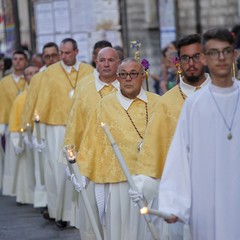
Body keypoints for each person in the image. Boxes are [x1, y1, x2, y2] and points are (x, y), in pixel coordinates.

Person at [158, 28, 240, 240]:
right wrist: (173, 202)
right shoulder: (194, 105)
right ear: (205, 58)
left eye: (226, 51)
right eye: (213, 52)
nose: (221, 58)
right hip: (207, 198)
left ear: (235, 55)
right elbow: (180, 155)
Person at [76, 58, 161, 240]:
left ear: (142, 76)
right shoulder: (104, 105)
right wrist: (83, 173)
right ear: (118, 77)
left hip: (151, 179)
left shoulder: (157, 103)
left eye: (133, 74)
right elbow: (92, 139)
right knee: (120, 231)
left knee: (149, 230)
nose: (128, 78)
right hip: (116, 181)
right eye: (123, 74)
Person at [137, 33, 210, 240]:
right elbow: (153, 150)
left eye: (197, 56)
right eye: (185, 58)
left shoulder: (220, 93)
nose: (192, 63)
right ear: (178, 62)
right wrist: (143, 184)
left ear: (204, 57)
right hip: (181, 190)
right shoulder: (166, 103)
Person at [33, 38, 94, 228]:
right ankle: (60, 214)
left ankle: (80, 215)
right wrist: (39, 134)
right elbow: (42, 102)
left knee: (80, 172)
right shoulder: (49, 73)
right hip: (56, 127)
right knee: (58, 173)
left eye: (67, 52)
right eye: (61, 52)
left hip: (82, 127)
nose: (63, 56)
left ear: (76, 51)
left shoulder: (89, 71)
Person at [64, 46, 121, 238]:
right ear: (96, 62)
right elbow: (75, 124)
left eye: (111, 60)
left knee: (119, 216)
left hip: (120, 161)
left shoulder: (127, 87)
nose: (106, 64)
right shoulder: (86, 89)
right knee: (91, 218)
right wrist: (70, 161)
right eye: (102, 60)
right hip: (90, 161)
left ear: (118, 63)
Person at [20, 42, 60, 212]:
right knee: (46, 169)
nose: (51, 59)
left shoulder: (66, 73)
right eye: (47, 56)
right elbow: (30, 103)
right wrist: (25, 128)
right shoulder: (39, 76)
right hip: (43, 127)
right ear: (43, 58)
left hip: (64, 125)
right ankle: (50, 206)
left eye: (54, 55)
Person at [8, 64, 39, 204]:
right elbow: (15, 121)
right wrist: (17, 141)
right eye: (29, 73)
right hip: (27, 138)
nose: (33, 76)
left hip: (43, 137)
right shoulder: (20, 99)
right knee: (28, 170)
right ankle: (29, 197)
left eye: (35, 73)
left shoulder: (45, 94)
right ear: (25, 77)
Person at [0, 50, 28, 196]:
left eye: (21, 59)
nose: (18, 61)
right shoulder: (4, 82)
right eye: (15, 59)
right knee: (12, 159)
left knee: (26, 161)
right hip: (10, 124)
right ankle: (14, 190)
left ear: (26, 61)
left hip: (27, 125)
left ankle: (26, 191)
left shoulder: (30, 79)